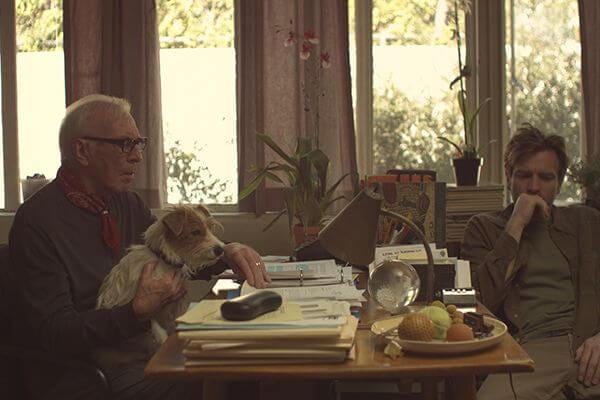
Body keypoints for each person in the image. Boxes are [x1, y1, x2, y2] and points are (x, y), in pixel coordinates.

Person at [8, 94, 271, 400]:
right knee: (229, 374)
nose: (137, 157)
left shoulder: (125, 203)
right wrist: (135, 313)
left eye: (138, 144)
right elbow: (55, 333)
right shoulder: (37, 222)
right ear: (82, 150)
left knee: (244, 361)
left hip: (137, 348)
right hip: (85, 374)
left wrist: (227, 254)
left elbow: (174, 253)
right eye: (124, 144)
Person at [461, 123, 600, 399]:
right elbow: (477, 303)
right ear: (509, 177)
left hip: (586, 345)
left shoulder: (586, 222)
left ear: (559, 182)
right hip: (527, 347)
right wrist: (516, 224)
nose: (534, 187)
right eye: (524, 175)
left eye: (546, 177)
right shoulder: (483, 228)